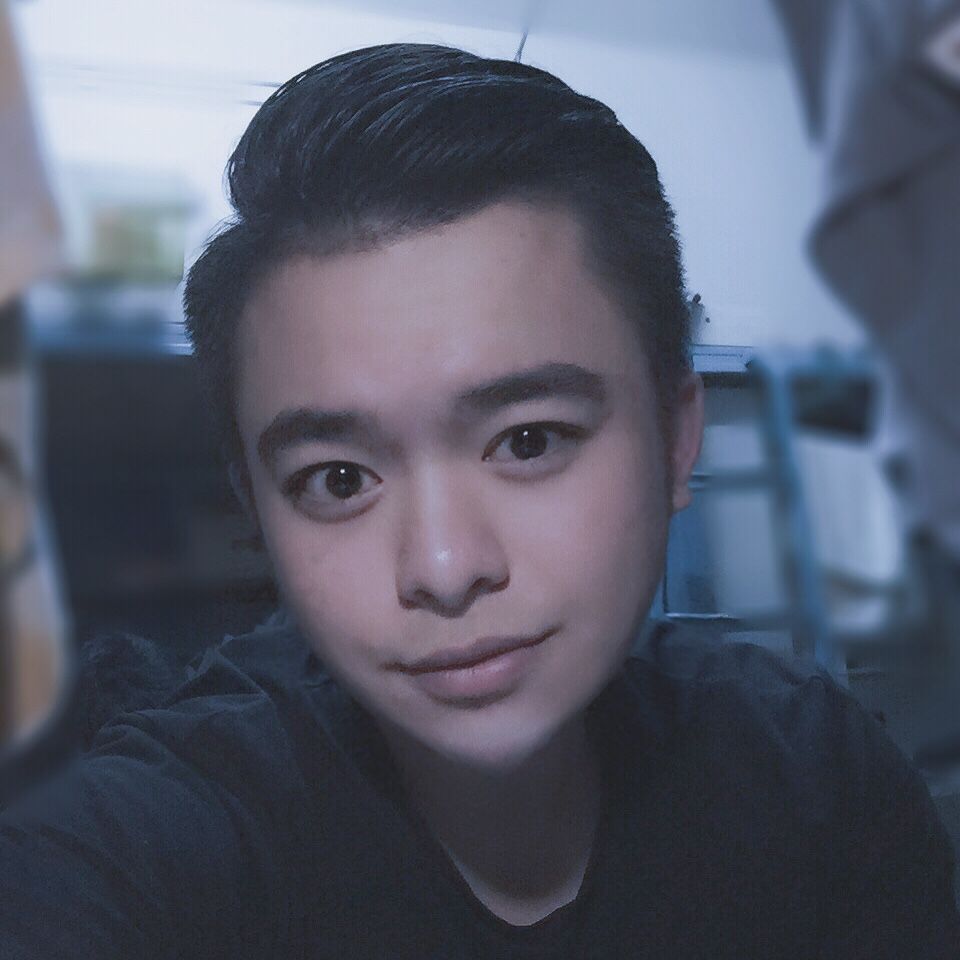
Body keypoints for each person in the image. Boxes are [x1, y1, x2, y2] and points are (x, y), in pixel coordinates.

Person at [1, 42, 958, 959]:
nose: (445, 567)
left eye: (528, 441)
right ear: (256, 508)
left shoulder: (814, 778)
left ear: (675, 436)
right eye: (339, 480)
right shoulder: (154, 838)